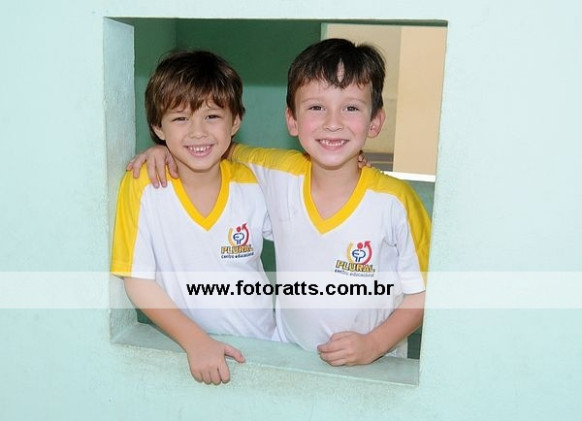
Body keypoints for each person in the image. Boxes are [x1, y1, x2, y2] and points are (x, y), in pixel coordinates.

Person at [129, 39, 431, 366]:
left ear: (375, 121)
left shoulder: (395, 202)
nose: (333, 123)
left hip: (376, 366)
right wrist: (162, 150)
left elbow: (427, 292)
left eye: (351, 108)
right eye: (316, 108)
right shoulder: (274, 172)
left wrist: (374, 344)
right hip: (289, 359)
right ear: (292, 120)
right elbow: (215, 146)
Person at [111, 50, 275, 385]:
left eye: (212, 116)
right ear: (158, 126)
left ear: (235, 121)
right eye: (180, 119)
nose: (198, 132)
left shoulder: (254, 183)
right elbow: (138, 281)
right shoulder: (143, 185)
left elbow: (307, 235)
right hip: (194, 352)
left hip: (266, 348)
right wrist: (195, 341)